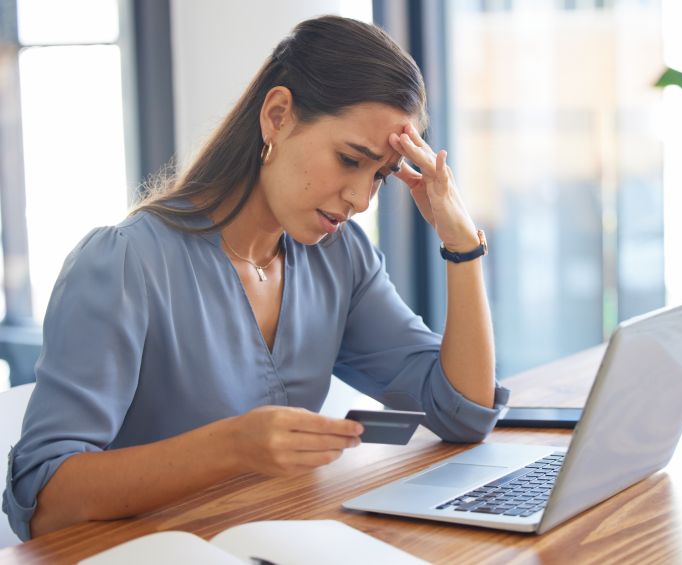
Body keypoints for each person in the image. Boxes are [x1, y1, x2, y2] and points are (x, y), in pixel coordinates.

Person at [2, 16, 508, 541]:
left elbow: (463, 413)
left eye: (379, 176)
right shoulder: (125, 264)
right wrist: (230, 447)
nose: (360, 199)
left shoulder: (340, 258)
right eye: (349, 159)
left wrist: (461, 241)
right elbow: (44, 501)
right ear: (277, 116)